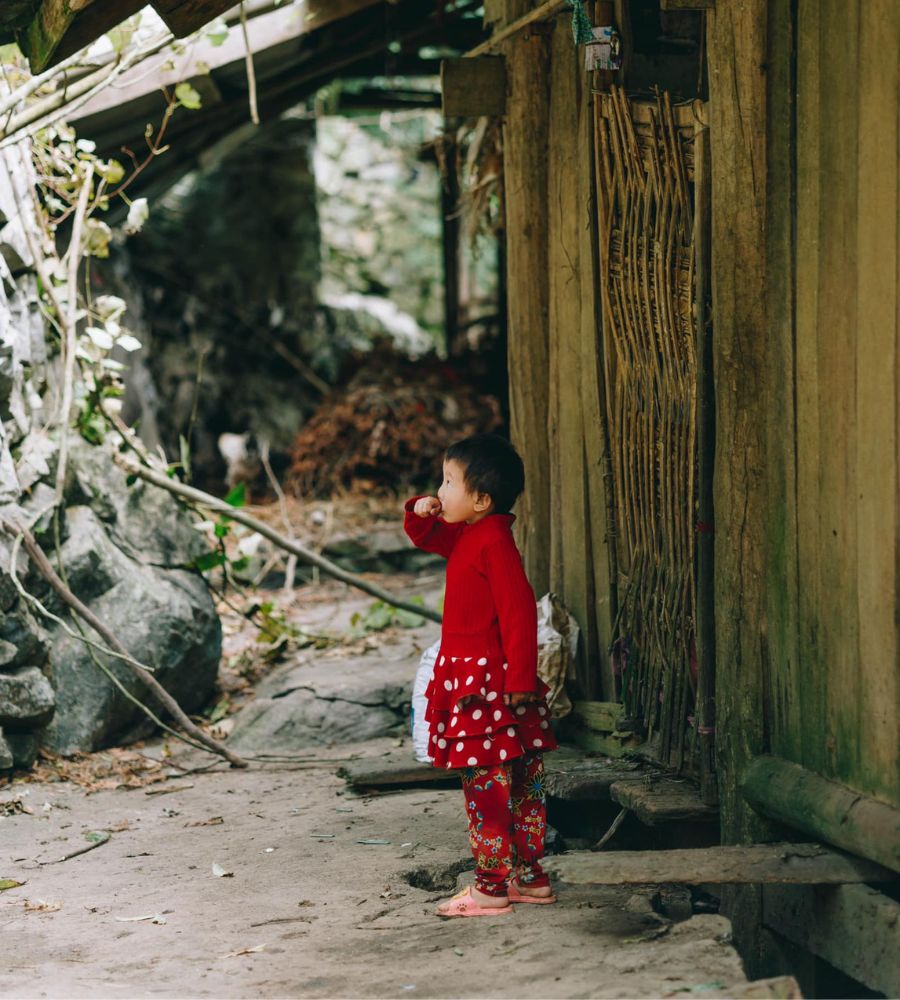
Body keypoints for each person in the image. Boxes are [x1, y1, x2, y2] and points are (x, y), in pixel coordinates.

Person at [403, 433, 558, 918]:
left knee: (489, 789)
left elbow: (518, 613)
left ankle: (491, 887)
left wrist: (518, 682)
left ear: (481, 500)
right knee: (517, 786)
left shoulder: (493, 543)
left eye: (449, 482)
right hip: (486, 685)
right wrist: (421, 508)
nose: (441, 490)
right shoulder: (472, 535)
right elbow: (425, 536)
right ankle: (528, 879)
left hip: (487, 693)